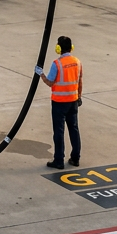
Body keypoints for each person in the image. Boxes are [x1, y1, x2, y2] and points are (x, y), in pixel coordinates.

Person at [36, 35, 82, 170]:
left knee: (59, 132)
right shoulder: (77, 62)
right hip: (73, 101)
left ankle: (59, 160)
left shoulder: (57, 64)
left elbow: (50, 82)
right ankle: (75, 158)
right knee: (74, 129)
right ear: (71, 47)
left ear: (58, 48)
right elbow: (80, 81)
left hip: (59, 103)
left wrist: (41, 74)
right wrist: (79, 96)